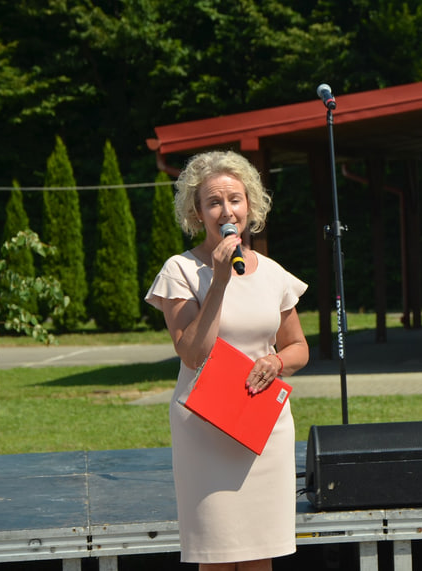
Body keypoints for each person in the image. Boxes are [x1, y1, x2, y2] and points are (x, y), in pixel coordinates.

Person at [145, 150, 309, 571]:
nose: (226, 210)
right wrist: (218, 282)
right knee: (215, 555)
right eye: (213, 202)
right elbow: (193, 352)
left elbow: (297, 347)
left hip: (262, 430)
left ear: (250, 205)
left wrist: (276, 363)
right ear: (197, 213)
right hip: (204, 428)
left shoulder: (273, 273)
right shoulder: (180, 270)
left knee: (260, 554)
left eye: (234, 199)